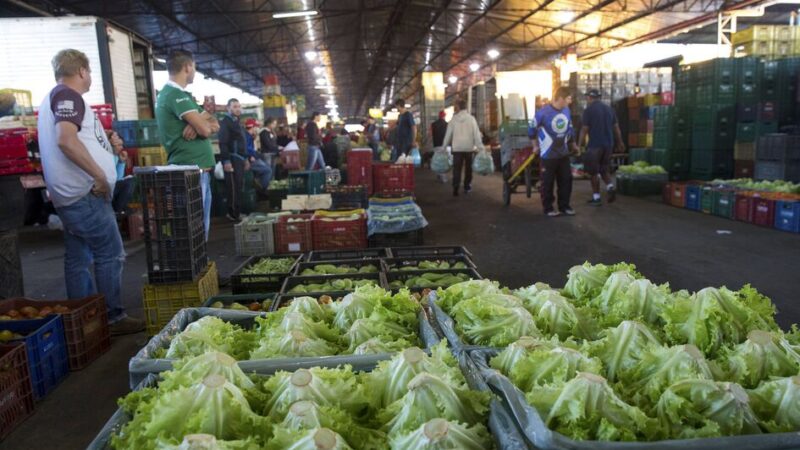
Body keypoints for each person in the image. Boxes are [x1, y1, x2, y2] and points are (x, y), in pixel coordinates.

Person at [37, 48, 144, 334]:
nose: (90, 77)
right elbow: (66, 141)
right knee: (110, 252)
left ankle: (82, 321)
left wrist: (105, 142)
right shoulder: (68, 96)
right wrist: (99, 175)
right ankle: (113, 317)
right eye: (90, 72)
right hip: (84, 195)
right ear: (82, 71)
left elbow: (75, 137)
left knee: (78, 257)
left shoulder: (56, 98)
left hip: (69, 196)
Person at [155, 49, 219, 239]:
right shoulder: (175, 95)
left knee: (199, 227)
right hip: (190, 172)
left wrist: (198, 122)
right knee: (194, 228)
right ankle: (191, 268)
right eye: (194, 67)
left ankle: (196, 266)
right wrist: (200, 125)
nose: (194, 71)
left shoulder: (183, 96)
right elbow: (207, 130)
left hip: (198, 172)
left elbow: (214, 122)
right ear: (187, 67)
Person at [529, 87, 577, 217]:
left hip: (563, 153)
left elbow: (570, 129)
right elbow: (532, 130)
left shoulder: (566, 111)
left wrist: (573, 144)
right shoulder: (542, 113)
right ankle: (548, 208)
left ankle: (564, 206)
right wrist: (535, 146)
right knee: (548, 182)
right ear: (561, 98)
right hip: (547, 155)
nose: (570, 101)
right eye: (568, 98)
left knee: (566, 180)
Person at [579, 89, 623, 206]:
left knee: (593, 173)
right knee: (603, 169)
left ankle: (596, 198)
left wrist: (579, 145)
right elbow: (616, 128)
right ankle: (610, 187)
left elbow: (584, 129)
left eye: (587, 97)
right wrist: (620, 143)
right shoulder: (609, 109)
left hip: (595, 146)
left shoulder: (588, 110)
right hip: (608, 145)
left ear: (589, 97)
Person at [443, 100, 483, 196]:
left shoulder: (454, 119)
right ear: (465, 107)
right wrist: (480, 147)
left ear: (459, 107)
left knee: (457, 168)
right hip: (468, 148)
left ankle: (455, 187)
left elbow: (448, 134)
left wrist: (444, 147)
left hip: (456, 148)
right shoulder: (471, 119)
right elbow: (476, 135)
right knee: (468, 168)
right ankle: (467, 186)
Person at [217, 98, 249, 221]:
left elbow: (242, 141)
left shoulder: (236, 122)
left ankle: (237, 212)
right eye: (234, 106)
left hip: (240, 159)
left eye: (239, 106)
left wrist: (245, 158)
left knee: (238, 186)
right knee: (233, 188)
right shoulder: (226, 122)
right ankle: (233, 213)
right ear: (228, 108)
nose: (237, 109)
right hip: (232, 158)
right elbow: (223, 143)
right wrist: (226, 161)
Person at [244, 118, 272, 191]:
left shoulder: (249, 136)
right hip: (249, 161)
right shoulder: (246, 137)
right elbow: (246, 149)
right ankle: (263, 190)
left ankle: (258, 184)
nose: (257, 129)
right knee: (268, 170)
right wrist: (251, 156)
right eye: (256, 127)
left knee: (266, 168)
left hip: (251, 158)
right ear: (252, 127)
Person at [259, 116, 281, 184]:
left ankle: (272, 184)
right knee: (268, 170)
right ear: (269, 124)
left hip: (273, 153)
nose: (275, 125)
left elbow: (273, 142)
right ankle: (266, 185)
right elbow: (268, 144)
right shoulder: (264, 132)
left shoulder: (271, 132)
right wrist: (277, 148)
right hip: (267, 154)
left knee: (272, 170)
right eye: (273, 124)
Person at [431, 110, 449, 183]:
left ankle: (439, 174)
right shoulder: (447, 124)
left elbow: (431, 133)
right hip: (444, 145)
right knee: (443, 161)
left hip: (436, 144)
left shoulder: (433, 124)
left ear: (439, 116)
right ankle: (443, 177)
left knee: (438, 160)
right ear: (444, 116)